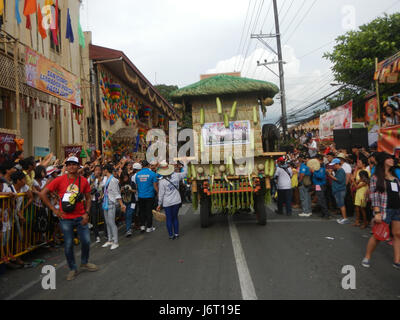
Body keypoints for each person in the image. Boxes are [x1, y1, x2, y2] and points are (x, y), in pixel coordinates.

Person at [39, 156, 98, 281]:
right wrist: (54, 210)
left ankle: (84, 262)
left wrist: (86, 213)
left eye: (74, 164)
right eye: (69, 164)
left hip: (81, 216)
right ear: (66, 166)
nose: (71, 166)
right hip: (65, 218)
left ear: (78, 166)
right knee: (68, 244)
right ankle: (72, 268)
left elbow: (88, 198)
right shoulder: (59, 180)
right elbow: (43, 193)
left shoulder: (83, 181)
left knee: (86, 241)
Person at [362, 153, 400, 269]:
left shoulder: (395, 177)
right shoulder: (376, 177)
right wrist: (377, 212)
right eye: (389, 158)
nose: (392, 160)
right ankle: (367, 257)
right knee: (378, 236)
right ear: (383, 160)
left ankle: (397, 260)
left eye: (392, 159)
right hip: (384, 209)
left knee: (398, 234)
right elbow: (374, 196)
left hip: (397, 209)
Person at [156, 161, 187, 240]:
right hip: (176, 200)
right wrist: (185, 164)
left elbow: (161, 194)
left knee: (169, 219)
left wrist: (159, 204)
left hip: (167, 202)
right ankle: (176, 234)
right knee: (175, 218)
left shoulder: (162, 181)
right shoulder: (176, 175)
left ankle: (171, 235)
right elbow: (185, 173)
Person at [101, 164, 126, 250]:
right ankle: (110, 239)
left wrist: (121, 204)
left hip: (111, 203)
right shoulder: (106, 179)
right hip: (105, 203)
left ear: (106, 170)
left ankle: (116, 241)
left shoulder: (113, 180)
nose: (102, 171)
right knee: (107, 222)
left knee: (112, 223)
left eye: (103, 170)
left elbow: (117, 193)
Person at [135, 160, 159, 233]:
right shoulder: (152, 174)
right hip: (149, 195)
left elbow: (137, 186)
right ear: (148, 165)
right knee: (149, 211)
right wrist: (158, 193)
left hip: (141, 195)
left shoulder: (137, 174)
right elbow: (155, 186)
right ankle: (149, 227)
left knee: (142, 211)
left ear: (142, 166)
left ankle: (142, 226)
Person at [327, 159, 349, 224]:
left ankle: (345, 218)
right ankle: (343, 217)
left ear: (337, 164)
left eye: (333, 165)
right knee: (340, 204)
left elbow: (338, 180)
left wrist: (330, 175)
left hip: (340, 190)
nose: (333, 166)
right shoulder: (339, 170)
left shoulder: (341, 171)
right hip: (338, 190)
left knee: (341, 204)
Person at [352, 158, 370, 229]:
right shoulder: (359, 170)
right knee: (357, 207)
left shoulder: (366, 171)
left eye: (359, 162)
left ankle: (365, 222)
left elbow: (358, 184)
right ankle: (357, 221)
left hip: (363, 192)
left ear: (364, 164)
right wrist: (356, 170)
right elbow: (355, 179)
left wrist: (353, 181)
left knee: (362, 209)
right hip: (358, 192)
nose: (358, 164)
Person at [311, 155, 331, 219]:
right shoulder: (318, 166)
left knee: (321, 199)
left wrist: (314, 172)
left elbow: (321, 176)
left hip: (320, 185)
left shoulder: (322, 167)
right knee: (320, 199)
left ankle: (326, 214)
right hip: (318, 185)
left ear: (320, 160)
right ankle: (323, 213)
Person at [88, 165, 103, 243]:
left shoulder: (103, 178)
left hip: (101, 200)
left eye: (99, 170)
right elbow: (88, 189)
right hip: (93, 200)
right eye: (96, 170)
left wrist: (99, 179)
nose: (97, 171)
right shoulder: (90, 178)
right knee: (94, 218)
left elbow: (102, 187)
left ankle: (107, 234)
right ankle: (96, 236)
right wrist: (93, 181)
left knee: (104, 216)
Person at [119, 171, 136, 237]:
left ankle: (128, 229)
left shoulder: (132, 183)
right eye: (124, 178)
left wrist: (130, 190)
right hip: (124, 202)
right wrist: (122, 190)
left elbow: (135, 190)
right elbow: (118, 193)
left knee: (130, 213)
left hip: (132, 201)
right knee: (126, 215)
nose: (125, 179)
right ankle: (128, 229)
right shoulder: (120, 184)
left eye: (126, 177)